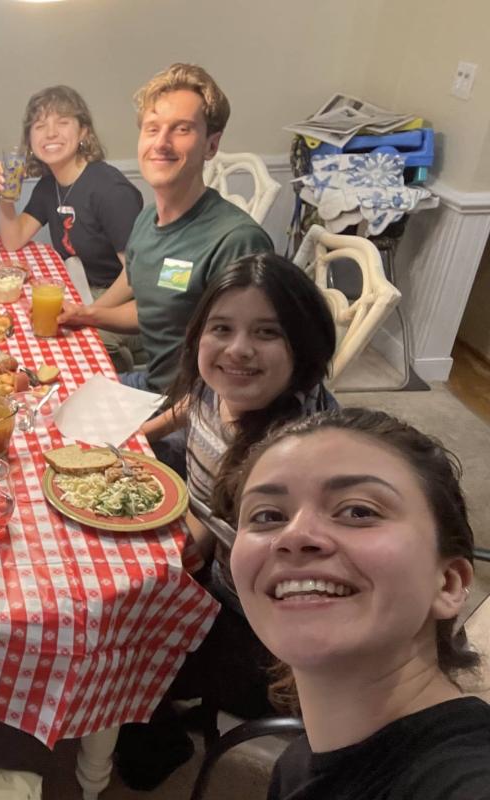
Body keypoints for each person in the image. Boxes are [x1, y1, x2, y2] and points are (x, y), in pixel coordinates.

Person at [112, 253, 339, 790]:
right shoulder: (228, 387)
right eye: (222, 328)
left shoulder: (296, 457)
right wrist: (137, 436)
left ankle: (154, 738)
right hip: (221, 576)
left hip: (272, 640)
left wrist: (175, 578)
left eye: (266, 333)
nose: (237, 350)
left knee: (117, 636)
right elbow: (197, 400)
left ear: (305, 347)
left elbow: (256, 570)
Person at [230, 409, 490, 799]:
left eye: (358, 511)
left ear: (448, 583)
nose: (295, 534)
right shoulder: (296, 762)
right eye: (268, 516)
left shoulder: (462, 779)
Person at [56, 63, 273, 396]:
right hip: (155, 388)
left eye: (182, 129)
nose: (162, 142)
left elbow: (239, 383)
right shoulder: (146, 220)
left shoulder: (236, 242)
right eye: (152, 128)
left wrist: (145, 430)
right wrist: (88, 315)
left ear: (211, 145)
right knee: (43, 396)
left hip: (197, 414)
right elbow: (155, 309)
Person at [0, 84, 142, 371]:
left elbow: (136, 274)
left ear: (84, 131)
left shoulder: (109, 189)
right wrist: (4, 197)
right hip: (82, 287)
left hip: (129, 305)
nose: (50, 133)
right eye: (40, 126)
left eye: (63, 122)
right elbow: (13, 239)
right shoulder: (51, 185)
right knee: (23, 321)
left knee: (63, 336)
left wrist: (90, 314)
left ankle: (117, 369)